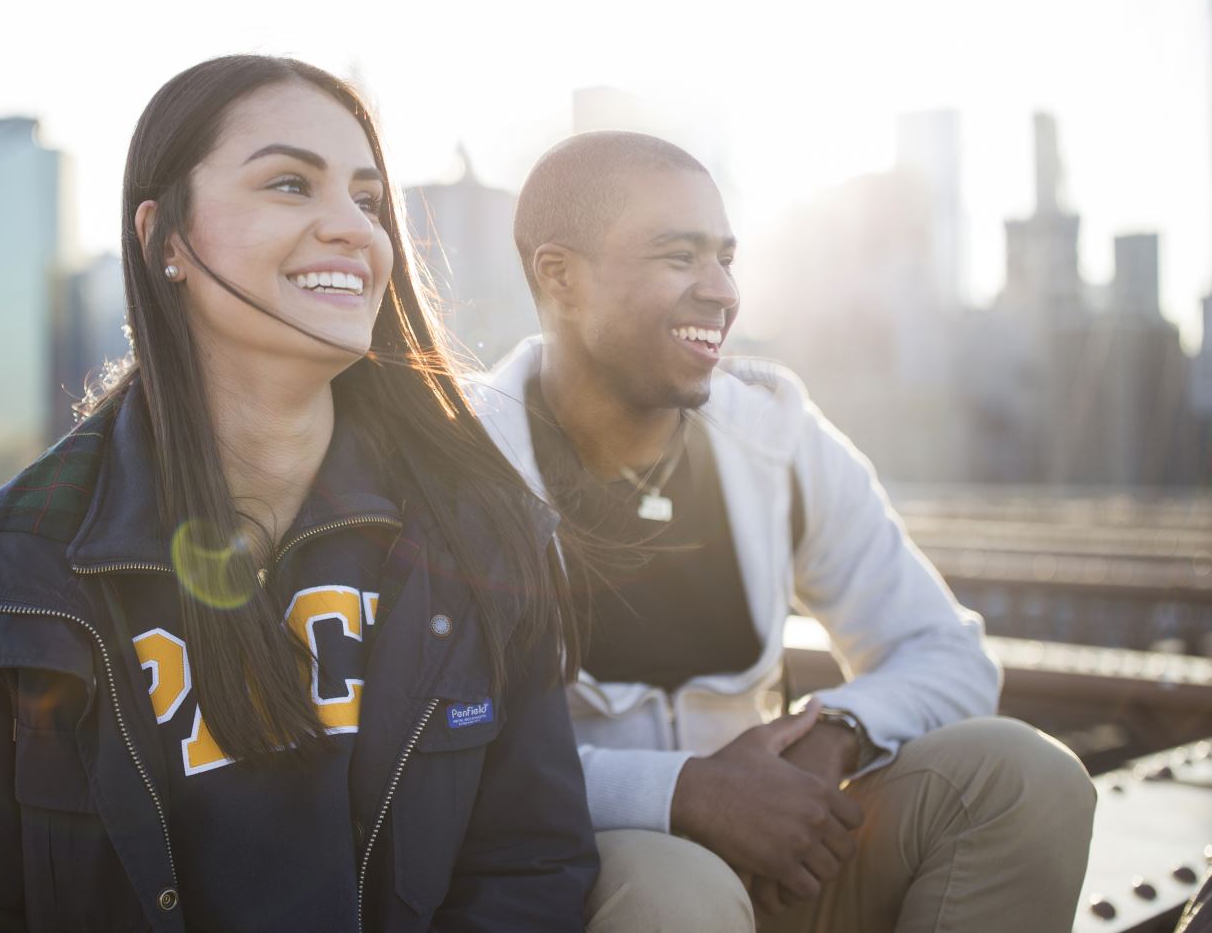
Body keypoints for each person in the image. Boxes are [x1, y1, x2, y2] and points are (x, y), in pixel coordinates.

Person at [0, 56, 596, 933]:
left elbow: (532, 861)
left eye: (367, 200)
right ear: (166, 238)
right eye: (290, 184)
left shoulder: (482, 531)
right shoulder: (12, 567)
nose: (353, 230)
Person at [468, 130, 1097, 933]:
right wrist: (685, 792)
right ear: (560, 277)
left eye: (726, 257)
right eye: (679, 256)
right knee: (675, 886)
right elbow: (441, 756)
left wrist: (834, 733)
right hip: (594, 882)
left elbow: (949, 654)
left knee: (1025, 776)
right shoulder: (466, 461)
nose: (722, 291)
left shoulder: (776, 435)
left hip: (781, 861)